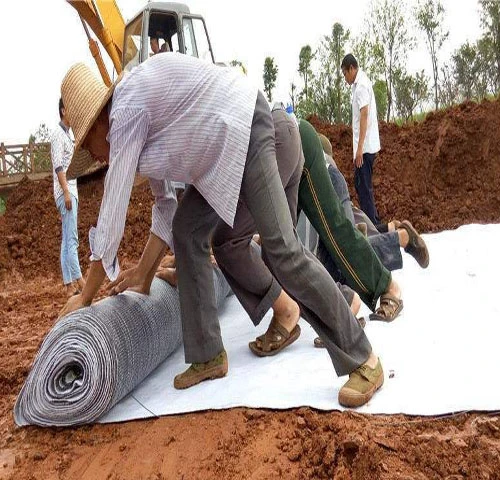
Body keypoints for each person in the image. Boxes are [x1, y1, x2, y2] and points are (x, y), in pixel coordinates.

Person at [58, 53, 384, 409]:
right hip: (220, 156)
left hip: (246, 128)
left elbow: (111, 213)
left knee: (282, 251)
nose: (99, 158)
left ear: (99, 125)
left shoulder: (127, 110)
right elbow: (166, 208)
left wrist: (85, 297)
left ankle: (363, 357)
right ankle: (208, 355)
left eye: (90, 147)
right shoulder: (136, 124)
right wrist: (144, 276)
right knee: (187, 228)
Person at [50, 98, 85, 297]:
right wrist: (65, 192)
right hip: (66, 191)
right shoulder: (57, 135)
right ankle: (80, 280)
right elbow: (58, 166)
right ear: (64, 111)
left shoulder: (67, 135)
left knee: (66, 239)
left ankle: (68, 284)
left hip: (70, 190)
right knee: (72, 238)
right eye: (71, 110)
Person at [341, 53, 381, 225]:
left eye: (345, 73)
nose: (345, 78)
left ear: (352, 68)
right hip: (364, 147)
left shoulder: (362, 86)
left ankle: (372, 227)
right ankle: (375, 223)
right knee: (362, 186)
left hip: (364, 149)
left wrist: (359, 149)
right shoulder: (358, 84)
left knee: (364, 188)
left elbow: (364, 115)